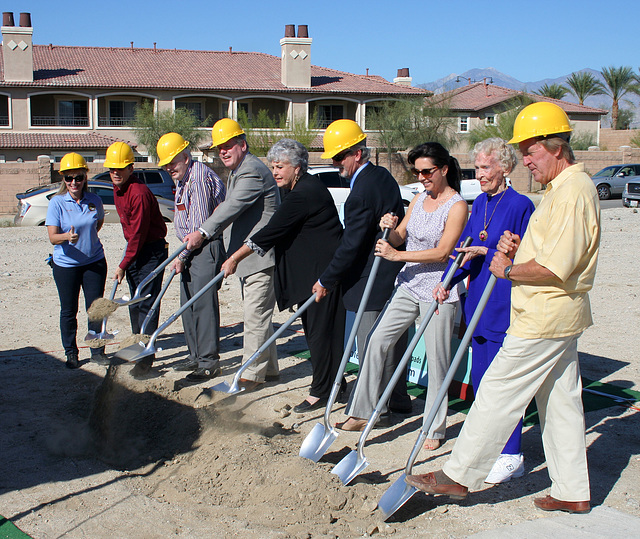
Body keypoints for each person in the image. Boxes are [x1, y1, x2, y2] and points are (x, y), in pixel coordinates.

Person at [406, 102, 600, 515]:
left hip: (544, 316)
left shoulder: (570, 193)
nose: (525, 160)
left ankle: (459, 474)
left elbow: (553, 266)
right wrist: (514, 251)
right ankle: (572, 490)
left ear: (557, 147)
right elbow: (547, 250)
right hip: (557, 315)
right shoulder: (561, 191)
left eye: (531, 151)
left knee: (495, 389)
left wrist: (509, 266)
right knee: (560, 403)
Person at [336, 142, 468, 439]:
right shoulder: (419, 199)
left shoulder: (457, 205)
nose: (421, 177)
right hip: (409, 285)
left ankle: (434, 430)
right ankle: (362, 412)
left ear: (443, 169)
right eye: (416, 171)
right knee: (376, 340)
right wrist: (388, 227)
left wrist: (397, 256)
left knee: (437, 362)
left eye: (426, 171)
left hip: (439, 289)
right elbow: (399, 236)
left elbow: (443, 252)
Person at [434, 138, 535, 482]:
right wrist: (447, 280)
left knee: (501, 385)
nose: (479, 174)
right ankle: (486, 445)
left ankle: (511, 452)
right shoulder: (479, 201)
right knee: (480, 381)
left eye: (486, 167)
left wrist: (488, 252)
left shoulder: (521, 205)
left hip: (502, 303)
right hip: (476, 300)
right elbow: (465, 248)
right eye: (477, 167)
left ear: (505, 168)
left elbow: (523, 254)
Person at [221, 139, 345, 409]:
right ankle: (338, 386)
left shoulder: (305, 192)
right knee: (317, 332)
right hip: (309, 274)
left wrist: (234, 258)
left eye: (280, 166)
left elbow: (270, 232)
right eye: (273, 166)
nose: (275, 171)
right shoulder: (293, 190)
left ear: (297, 167)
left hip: (323, 274)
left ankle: (321, 391)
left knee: (320, 334)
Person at [311, 119, 411, 415]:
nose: (336, 162)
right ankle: (397, 398)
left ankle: (371, 410)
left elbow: (352, 244)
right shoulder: (383, 176)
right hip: (391, 274)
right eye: (333, 157)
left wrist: (327, 279)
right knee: (392, 341)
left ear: (357, 153)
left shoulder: (361, 192)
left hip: (372, 278)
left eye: (340, 156)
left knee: (372, 346)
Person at [185, 119, 280, 390]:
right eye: (220, 148)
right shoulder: (239, 170)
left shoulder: (251, 171)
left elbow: (232, 207)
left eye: (228, 146)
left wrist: (202, 232)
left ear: (243, 145)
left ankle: (251, 376)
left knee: (254, 317)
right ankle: (270, 371)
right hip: (249, 259)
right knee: (258, 317)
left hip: (260, 257)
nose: (223, 152)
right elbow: (226, 206)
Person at [156, 133, 226, 381]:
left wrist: (181, 256)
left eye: (172, 162)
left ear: (185, 157)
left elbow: (198, 227)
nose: (169, 168)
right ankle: (194, 355)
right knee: (188, 304)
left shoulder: (197, 177)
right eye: (165, 164)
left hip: (204, 247)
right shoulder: (183, 179)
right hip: (188, 249)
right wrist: (182, 255)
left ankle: (208, 362)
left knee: (203, 304)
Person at [106, 141, 168, 379]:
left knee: (146, 304)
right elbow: (131, 234)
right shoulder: (117, 188)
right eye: (112, 169)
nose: (115, 173)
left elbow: (139, 233)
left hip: (151, 251)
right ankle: (138, 345)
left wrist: (123, 264)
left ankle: (146, 357)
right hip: (135, 249)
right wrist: (127, 261)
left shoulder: (139, 193)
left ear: (131, 168)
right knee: (135, 302)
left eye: (120, 169)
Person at [46, 153, 108, 369]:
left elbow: (97, 223)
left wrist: (87, 241)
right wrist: (67, 237)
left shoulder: (95, 200)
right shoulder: (57, 203)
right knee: (68, 310)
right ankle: (71, 353)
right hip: (66, 266)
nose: (74, 183)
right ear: (63, 179)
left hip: (94, 262)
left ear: (85, 178)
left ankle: (98, 351)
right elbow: (52, 237)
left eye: (78, 177)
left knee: (95, 309)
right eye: (69, 178)